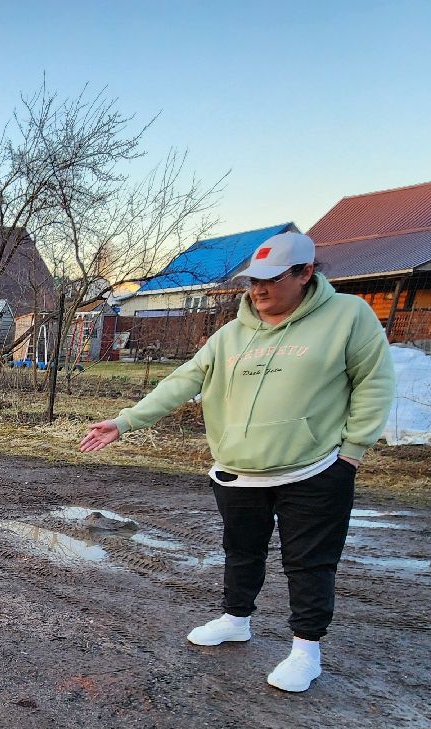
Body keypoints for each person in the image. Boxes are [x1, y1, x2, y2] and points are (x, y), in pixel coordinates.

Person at [78, 232, 394, 693]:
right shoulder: (232, 335)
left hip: (315, 468)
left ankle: (306, 649)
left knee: (308, 562)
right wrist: (125, 422)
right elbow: (183, 381)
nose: (259, 291)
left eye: (271, 280)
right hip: (239, 468)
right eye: (252, 282)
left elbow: (374, 384)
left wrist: (351, 453)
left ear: (306, 273)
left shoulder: (349, 318)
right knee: (241, 550)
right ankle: (236, 618)